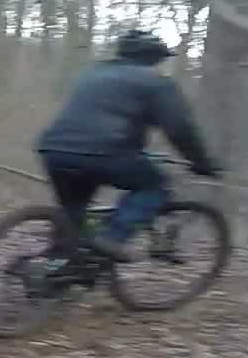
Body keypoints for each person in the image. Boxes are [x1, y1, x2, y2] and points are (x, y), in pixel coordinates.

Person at [34, 29, 220, 262]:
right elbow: (180, 128)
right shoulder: (157, 83)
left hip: (54, 150)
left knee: (74, 212)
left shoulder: (92, 74)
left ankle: (56, 269)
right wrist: (201, 162)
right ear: (153, 58)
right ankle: (114, 237)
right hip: (105, 153)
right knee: (155, 187)